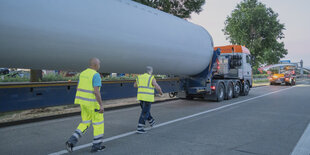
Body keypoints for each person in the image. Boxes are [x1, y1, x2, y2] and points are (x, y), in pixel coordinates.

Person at [66, 57, 105, 153]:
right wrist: (101, 105)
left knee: (85, 122)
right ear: (95, 65)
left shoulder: (83, 74)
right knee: (98, 124)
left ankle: (71, 141)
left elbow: (78, 88)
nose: (99, 65)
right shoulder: (96, 75)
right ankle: (96, 146)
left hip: (83, 103)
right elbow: (96, 92)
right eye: (99, 64)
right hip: (93, 104)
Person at [134, 66, 163, 134]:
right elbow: (157, 87)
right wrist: (161, 93)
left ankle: (151, 121)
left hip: (141, 97)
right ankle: (140, 128)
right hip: (147, 98)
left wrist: (142, 85)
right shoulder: (151, 77)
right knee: (144, 112)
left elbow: (135, 85)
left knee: (145, 111)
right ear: (151, 71)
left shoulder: (139, 77)